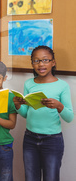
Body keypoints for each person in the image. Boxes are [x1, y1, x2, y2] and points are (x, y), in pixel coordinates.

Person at [14, 45, 73, 181]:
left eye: (45, 60)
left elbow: (69, 117)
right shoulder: (29, 83)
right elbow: (26, 114)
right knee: (30, 177)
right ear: (32, 64)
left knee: (51, 178)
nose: (41, 64)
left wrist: (59, 106)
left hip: (52, 140)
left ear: (53, 62)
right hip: (30, 138)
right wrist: (18, 105)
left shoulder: (62, 86)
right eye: (36, 60)